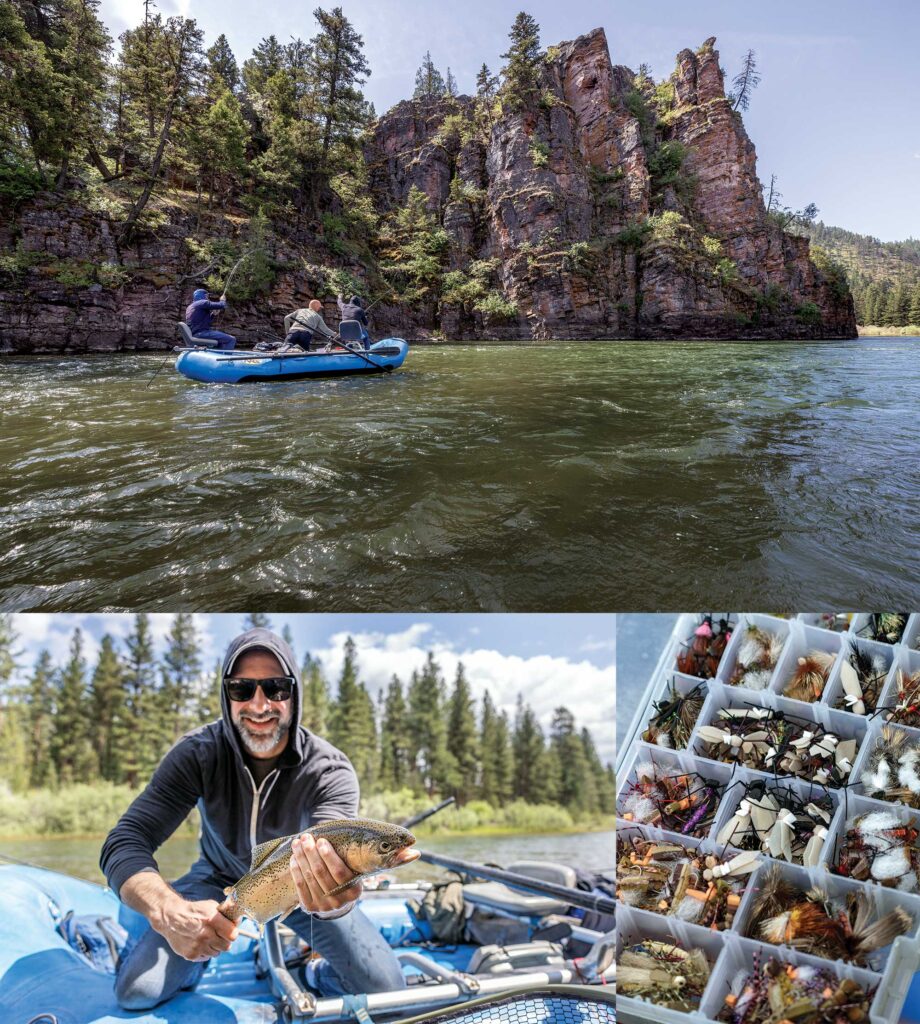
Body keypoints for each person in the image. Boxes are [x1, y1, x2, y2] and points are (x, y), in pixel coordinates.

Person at [100, 627, 417, 1010]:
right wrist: (168, 911)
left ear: (295, 693)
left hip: (301, 886)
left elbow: (336, 848)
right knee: (137, 992)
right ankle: (197, 954)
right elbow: (126, 840)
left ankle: (309, 969)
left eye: (277, 688)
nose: (260, 704)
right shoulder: (197, 754)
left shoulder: (329, 769)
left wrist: (337, 899)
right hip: (216, 880)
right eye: (242, 689)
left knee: (387, 992)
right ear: (226, 695)